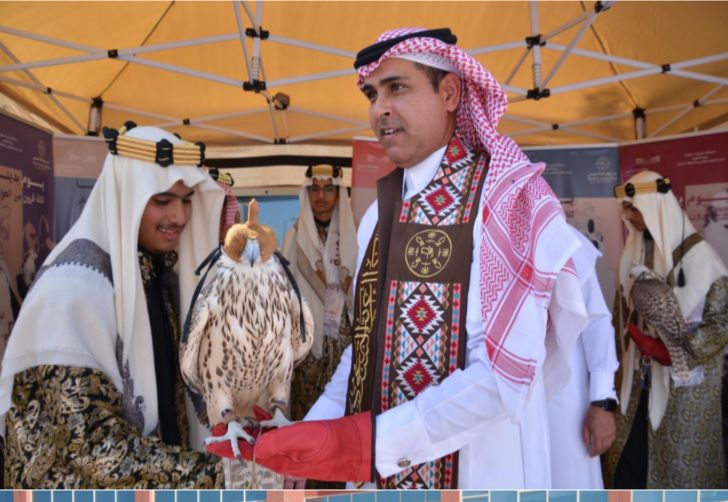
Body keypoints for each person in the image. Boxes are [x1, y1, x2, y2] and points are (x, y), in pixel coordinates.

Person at [214, 27, 589, 489]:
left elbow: (501, 377)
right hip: (382, 474)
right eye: (373, 94)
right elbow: (365, 348)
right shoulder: (379, 213)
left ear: (450, 93)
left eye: (397, 88)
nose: (380, 109)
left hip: (481, 472)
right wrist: (311, 435)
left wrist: (369, 445)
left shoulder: (506, 200)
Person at [0, 123, 226, 488]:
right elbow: (92, 445)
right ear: (126, 197)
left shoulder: (153, 273)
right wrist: (222, 474)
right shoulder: (71, 292)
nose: (180, 216)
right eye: (162, 200)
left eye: (186, 200)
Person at [604, 170, 728, 488]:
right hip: (635, 382)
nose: (631, 217)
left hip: (684, 390)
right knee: (628, 466)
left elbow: (721, 323)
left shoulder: (701, 259)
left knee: (678, 472)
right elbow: (620, 313)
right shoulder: (634, 251)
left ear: (656, 207)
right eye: (627, 210)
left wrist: (671, 351)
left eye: (636, 209)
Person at [281, 165, 356, 425]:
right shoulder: (294, 236)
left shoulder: (355, 234)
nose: (320, 196)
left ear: (339, 193)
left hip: (344, 343)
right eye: (314, 189)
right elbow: (284, 289)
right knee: (307, 412)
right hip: (307, 343)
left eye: (328, 189)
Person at [547, 225, 618, 489]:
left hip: (564, 400)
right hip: (501, 405)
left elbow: (596, 324)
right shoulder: (480, 234)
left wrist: (601, 402)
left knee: (568, 481)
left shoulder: (560, 237)